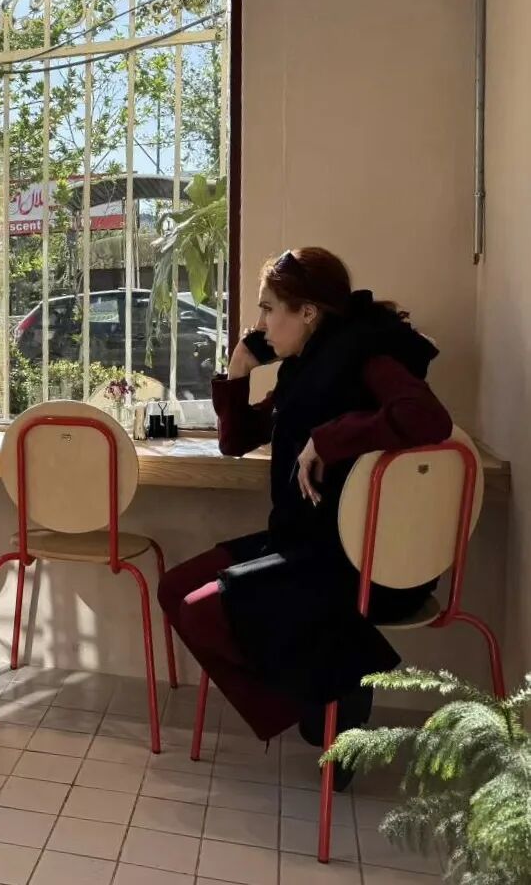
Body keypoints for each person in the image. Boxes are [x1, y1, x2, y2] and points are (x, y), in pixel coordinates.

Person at [158, 247, 453, 781]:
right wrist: (239, 369)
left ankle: (339, 691)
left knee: (203, 611)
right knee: (174, 588)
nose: (260, 324)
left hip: (353, 558)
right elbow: (236, 442)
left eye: (269, 309)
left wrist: (329, 438)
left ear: (308, 312)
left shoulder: (366, 354)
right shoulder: (303, 368)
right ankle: (333, 690)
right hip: (303, 540)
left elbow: (427, 417)